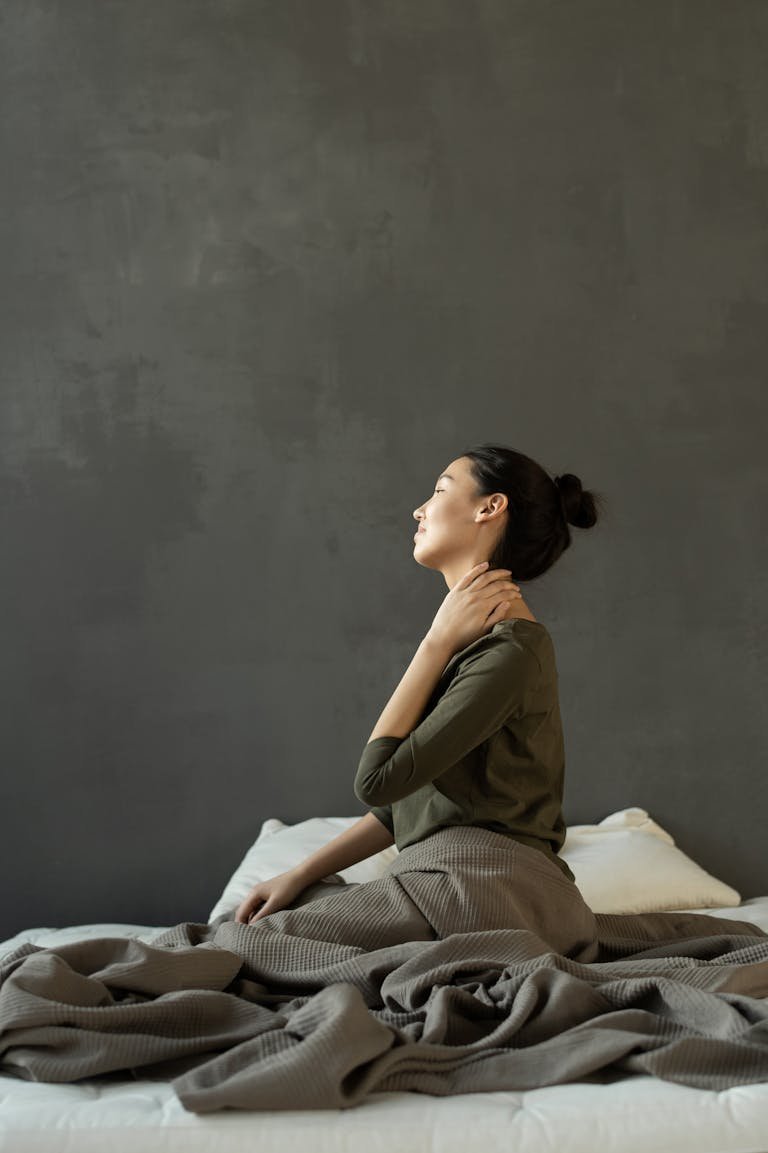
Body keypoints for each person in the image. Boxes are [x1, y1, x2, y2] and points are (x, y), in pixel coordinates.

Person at [233, 444, 607, 960]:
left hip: (484, 884)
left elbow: (375, 781)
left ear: (489, 507)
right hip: (461, 881)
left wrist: (434, 642)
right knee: (283, 911)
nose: (419, 509)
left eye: (439, 490)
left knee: (238, 950)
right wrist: (298, 873)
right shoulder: (482, 644)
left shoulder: (511, 650)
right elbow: (403, 804)